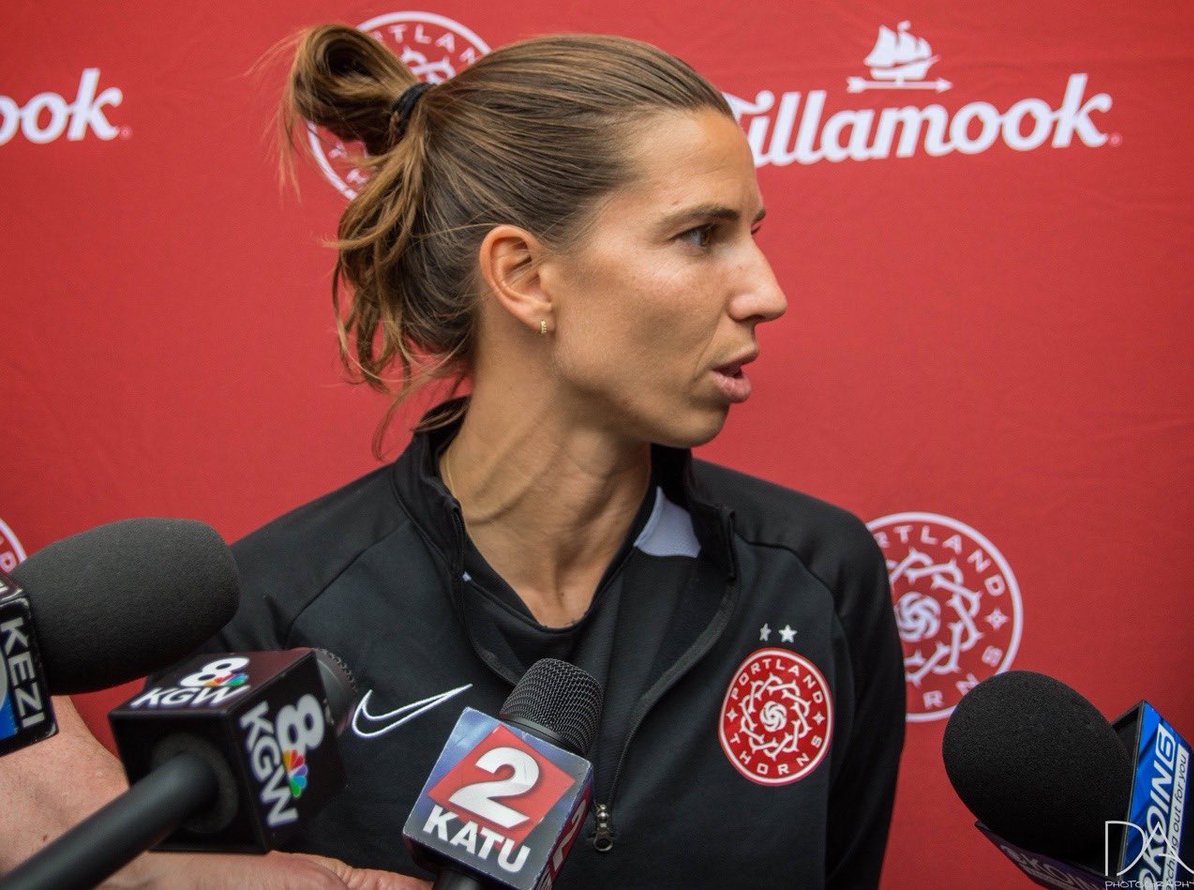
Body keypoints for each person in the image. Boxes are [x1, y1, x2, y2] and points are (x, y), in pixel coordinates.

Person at [0, 24, 904, 889]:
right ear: (522, 275)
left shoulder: (818, 577)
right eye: (700, 235)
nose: (768, 293)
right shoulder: (271, 622)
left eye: (755, 233)